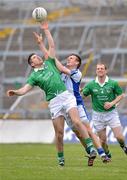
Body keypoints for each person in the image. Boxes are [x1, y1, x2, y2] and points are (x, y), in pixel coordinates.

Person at [6, 21, 96, 167]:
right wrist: (15, 92)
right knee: (59, 133)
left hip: (66, 96)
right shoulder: (34, 77)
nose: (38, 57)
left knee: (77, 121)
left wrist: (46, 31)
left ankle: (91, 148)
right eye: (34, 57)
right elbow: (24, 90)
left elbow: (52, 46)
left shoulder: (49, 63)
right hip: (54, 102)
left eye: (37, 55)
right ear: (32, 64)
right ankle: (61, 158)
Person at [82, 63, 127, 158]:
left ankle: (124, 146)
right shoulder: (91, 84)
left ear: (106, 70)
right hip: (97, 116)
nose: (100, 70)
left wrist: (111, 103)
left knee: (119, 137)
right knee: (103, 140)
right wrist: (78, 94)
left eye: (102, 68)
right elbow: (82, 96)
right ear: (96, 71)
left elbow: (121, 95)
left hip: (111, 114)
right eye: (98, 69)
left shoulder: (113, 83)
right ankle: (108, 154)